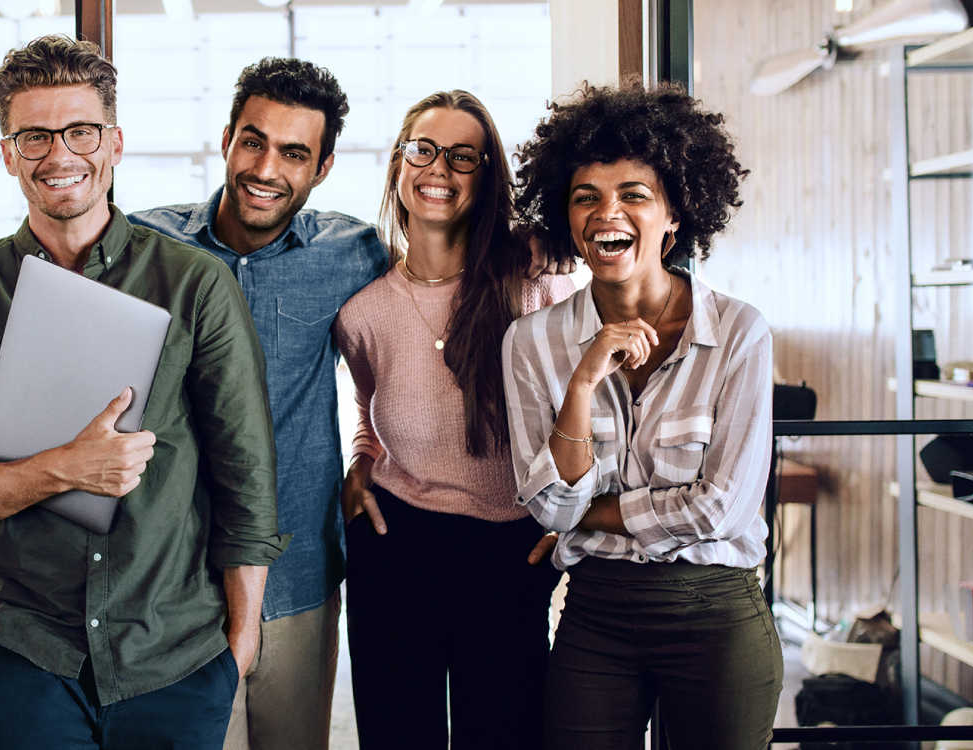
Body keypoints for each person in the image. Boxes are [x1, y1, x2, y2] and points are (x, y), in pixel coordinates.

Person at [0, 35, 283, 750]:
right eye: (34, 136)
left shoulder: (196, 285)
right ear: (8, 153)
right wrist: (63, 470)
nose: (59, 154)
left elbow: (246, 479)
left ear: (115, 143)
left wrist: (240, 644)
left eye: (80, 131)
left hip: (178, 652)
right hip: (31, 653)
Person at [501, 82, 780, 750]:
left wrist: (588, 512)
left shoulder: (739, 332)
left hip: (716, 611)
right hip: (596, 616)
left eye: (633, 194)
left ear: (675, 214)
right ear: (565, 217)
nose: (607, 213)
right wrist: (585, 377)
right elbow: (544, 508)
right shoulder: (532, 342)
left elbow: (721, 511)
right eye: (585, 197)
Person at [129, 57, 387, 750]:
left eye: (294, 152)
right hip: (171, 584)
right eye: (254, 140)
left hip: (297, 575)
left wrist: (370, 450)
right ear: (226, 139)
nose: (266, 167)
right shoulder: (144, 246)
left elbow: (417, 340)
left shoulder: (355, 253)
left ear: (322, 167)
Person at [332, 89, 573, 750]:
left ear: (487, 177)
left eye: (463, 158)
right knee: (395, 734)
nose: (439, 169)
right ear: (399, 165)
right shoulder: (363, 311)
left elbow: (591, 404)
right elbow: (367, 405)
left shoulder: (535, 282)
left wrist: (575, 515)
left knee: (504, 734)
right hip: (397, 543)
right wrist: (360, 461)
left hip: (509, 548)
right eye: (425, 150)